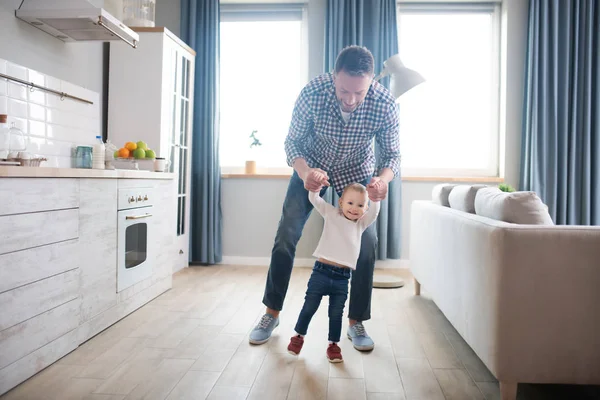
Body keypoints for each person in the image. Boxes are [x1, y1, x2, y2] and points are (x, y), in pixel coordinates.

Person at [249, 45, 400, 351]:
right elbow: (292, 142)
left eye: (359, 92)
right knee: (287, 234)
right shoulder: (313, 93)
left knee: (366, 243)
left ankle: (356, 321)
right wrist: (306, 173)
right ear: (334, 77)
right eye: (344, 90)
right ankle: (271, 313)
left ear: (371, 81)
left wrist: (382, 182)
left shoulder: (384, 103)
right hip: (312, 166)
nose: (351, 99)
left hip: (357, 171)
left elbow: (393, 155)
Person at [287, 183, 381, 362]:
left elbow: (374, 212)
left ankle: (333, 345)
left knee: (336, 314)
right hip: (320, 273)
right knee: (309, 307)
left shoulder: (361, 224)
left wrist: (375, 197)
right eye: (350, 203)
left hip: (342, 279)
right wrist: (316, 184)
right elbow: (314, 199)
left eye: (361, 205)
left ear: (365, 208)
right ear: (341, 202)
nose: (354, 209)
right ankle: (298, 336)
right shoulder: (331, 214)